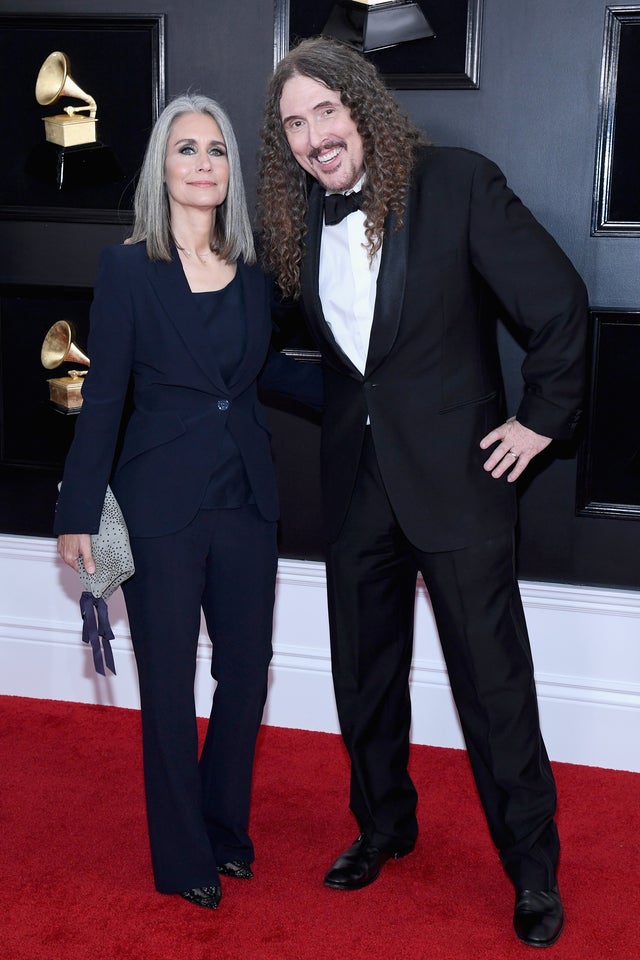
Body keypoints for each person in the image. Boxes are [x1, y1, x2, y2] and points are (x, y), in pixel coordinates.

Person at [256, 37, 587, 948]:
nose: (315, 135)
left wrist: (540, 421)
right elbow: (334, 362)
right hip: (357, 483)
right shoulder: (295, 226)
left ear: (361, 105)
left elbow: (558, 305)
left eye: (326, 110)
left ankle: (532, 871)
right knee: (364, 677)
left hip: (461, 481)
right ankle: (382, 827)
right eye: (295, 123)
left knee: (494, 686)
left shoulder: (458, 183)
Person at [55, 93, 320, 910]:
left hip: (246, 498)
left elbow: (262, 373)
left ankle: (226, 830)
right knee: (167, 684)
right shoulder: (128, 268)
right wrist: (76, 511)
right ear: (161, 169)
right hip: (159, 504)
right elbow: (104, 400)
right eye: (186, 150)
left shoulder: (255, 272)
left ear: (229, 171)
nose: (203, 163)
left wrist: (372, 394)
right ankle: (182, 857)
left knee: (247, 675)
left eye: (216, 150)